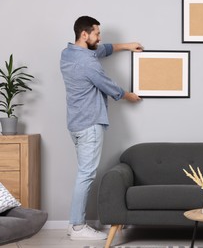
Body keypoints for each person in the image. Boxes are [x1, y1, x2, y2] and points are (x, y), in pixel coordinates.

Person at [60, 16, 143, 240]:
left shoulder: (69, 53)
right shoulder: (87, 63)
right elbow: (109, 87)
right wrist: (129, 96)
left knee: (83, 173)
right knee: (86, 175)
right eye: (96, 33)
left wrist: (125, 46)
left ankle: (75, 224)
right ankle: (77, 226)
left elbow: (101, 49)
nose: (100, 37)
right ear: (84, 35)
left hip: (75, 124)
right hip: (89, 124)